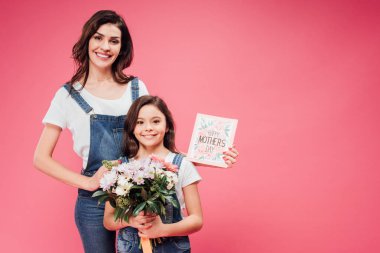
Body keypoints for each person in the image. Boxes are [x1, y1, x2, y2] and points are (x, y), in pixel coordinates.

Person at [33, 9, 238, 253]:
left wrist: (211, 158)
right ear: (87, 40)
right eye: (98, 38)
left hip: (141, 195)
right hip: (95, 203)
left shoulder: (135, 87)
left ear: (122, 48)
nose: (105, 46)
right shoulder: (67, 96)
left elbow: (156, 145)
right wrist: (88, 183)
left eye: (114, 41)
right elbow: (40, 158)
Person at [103, 95, 203, 253]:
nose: (148, 128)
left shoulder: (182, 164)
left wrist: (162, 230)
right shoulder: (121, 167)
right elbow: (108, 220)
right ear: (132, 128)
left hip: (173, 248)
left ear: (167, 126)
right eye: (140, 122)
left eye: (156, 121)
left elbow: (197, 220)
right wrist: (131, 220)